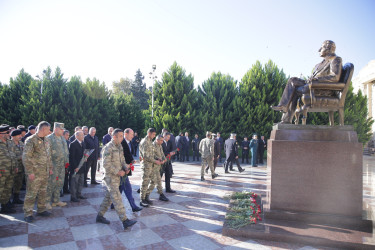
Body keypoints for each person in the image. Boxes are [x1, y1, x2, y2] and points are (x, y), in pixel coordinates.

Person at [272, 40, 343, 124]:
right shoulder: (320, 63)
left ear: (329, 48)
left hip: (322, 88)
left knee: (295, 89)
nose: (319, 50)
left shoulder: (335, 59)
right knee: (293, 80)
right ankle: (283, 107)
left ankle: (286, 119)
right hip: (312, 85)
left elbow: (335, 77)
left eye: (322, 47)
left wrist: (317, 79)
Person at [96, 128, 137, 229]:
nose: (122, 138)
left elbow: (122, 160)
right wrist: (118, 171)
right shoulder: (108, 148)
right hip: (110, 178)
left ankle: (99, 216)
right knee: (117, 198)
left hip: (117, 177)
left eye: (123, 136)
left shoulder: (120, 147)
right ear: (114, 137)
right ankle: (125, 220)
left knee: (108, 198)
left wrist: (126, 167)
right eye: (120, 136)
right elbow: (106, 165)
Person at [23, 121, 53, 222]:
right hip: (35, 173)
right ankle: (28, 213)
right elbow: (26, 157)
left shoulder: (46, 140)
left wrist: (50, 168)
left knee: (43, 192)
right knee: (31, 193)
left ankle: (41, 209)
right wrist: (30, 172)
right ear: (43, 129)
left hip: (44, 171)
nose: (50, 131)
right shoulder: (31, 140)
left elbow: (48, 156)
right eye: (48, 129)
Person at [116, 128, 142, 212]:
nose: (133, 136)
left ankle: (112, 204)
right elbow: (118, 158)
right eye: (131, 134)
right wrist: (124, 168)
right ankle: (133, 206)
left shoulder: (129, 142)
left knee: (120, 188)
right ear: (126, 134)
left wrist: (131, 160)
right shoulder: (121, 143)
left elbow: (128, 154)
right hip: (121, 170)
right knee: (128, 188)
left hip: (126, 168)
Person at [46, 122, 69, 208]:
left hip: (61, 165)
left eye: (63, 129)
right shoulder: (49, 138)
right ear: (56, 129)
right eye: (61, 129)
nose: (63, 131)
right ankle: (47, 201)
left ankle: (56, 200)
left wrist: (67, 162)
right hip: (53, 165)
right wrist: (49, 167)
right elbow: (47, 154)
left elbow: (66, 151)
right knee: (51, 183)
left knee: (59, 183)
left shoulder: (62, 138)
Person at [139, 128, 162, 207]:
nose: (154, 136)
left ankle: (146, 196)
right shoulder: (144, 142)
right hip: (146, 166)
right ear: (149, 133)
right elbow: (146, 156)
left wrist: (157, 158)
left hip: (151, 166)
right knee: (145, 182)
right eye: (153, 134)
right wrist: (155, 161)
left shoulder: (150, 142)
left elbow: (151, 154)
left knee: (153, 181)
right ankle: (142, 199)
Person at [0, 125, 18, 214]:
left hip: (10, 170)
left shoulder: (10, 143)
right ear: (0, 134)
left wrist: (16, 166)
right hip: (1, 171)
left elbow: (14, 155)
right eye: (7, 133)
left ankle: (5, 206)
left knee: (7, 189)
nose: (8, 134)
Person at [145, 135, 169, 202]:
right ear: (157, 140)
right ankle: (146, 195)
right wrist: (158, 159)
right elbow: (152, 155)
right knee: (153, 182)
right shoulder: (152, 145)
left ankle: (161, 194)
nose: (162, 142)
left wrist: (164, 159)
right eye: (161, 140)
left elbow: (162, 154)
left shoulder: (160, 145)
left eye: (162, 140)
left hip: (157, 167)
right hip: (153, 167)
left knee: (158, 181)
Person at [69, 131, 87, 202]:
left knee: (81, 181)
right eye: (82, 135)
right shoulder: (73, 144)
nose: (83, 136)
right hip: (75, 167)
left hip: (82, 166)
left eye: (83, 135)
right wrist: (75, 167)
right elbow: (72, 157)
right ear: (77, 136)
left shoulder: (83, 143)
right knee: (74, 182)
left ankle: (78, 194)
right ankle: (73, 196)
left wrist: (86, 158)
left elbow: (84, 153)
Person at [10, 129, 25, 205]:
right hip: (12, 167)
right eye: (18, 135)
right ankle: (7, 201)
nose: (20, 136)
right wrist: (20, 157)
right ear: (13, 136)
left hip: (21, 167)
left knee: (18, 183)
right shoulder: (9, 144)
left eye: (20, 135)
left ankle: (16, 198)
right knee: (10, 184)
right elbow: (9, 156)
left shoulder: (21, 143)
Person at [63, 130, 71, 194]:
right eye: (67, 135)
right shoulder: (60, 142)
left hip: (67, 162)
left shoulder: (68, 142)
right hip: (61, 162)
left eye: (68, 135)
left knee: (66, 176)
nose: (68, 136)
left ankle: (66, 189)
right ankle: (60, 191)